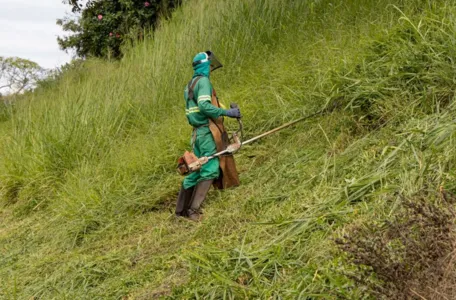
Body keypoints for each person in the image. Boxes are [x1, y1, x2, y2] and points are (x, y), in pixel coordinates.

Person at [175, 51, 241, 221]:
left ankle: (179, 212)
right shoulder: (203, 82)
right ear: (205, 65)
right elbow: (204, 106)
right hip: (206, 132)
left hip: (197, 133)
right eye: (209, 65)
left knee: (198, 168)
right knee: (210, 168)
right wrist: (228, 112)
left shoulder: (190, 84)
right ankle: (193, 211)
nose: (211, 69)